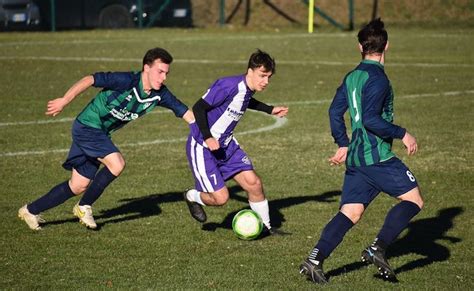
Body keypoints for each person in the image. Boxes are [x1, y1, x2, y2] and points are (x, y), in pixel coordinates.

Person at [299, 18, 424, 284]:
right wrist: (403, 133)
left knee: (350, 213)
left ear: (360, 47)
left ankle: (314, 260)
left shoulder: (352, 76)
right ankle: (378, 247)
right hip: (376, 157)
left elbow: (335, 111)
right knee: (414, 201)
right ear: (386, 46)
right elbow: (370, 119)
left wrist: (342, 142)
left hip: (356, 158)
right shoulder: (378, 78)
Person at [18, 47, 194, 230]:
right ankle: (83, 207)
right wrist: (64, 100)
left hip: (99, 133)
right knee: (117, 163)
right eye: (160, 72)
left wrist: (205, 134)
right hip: (87, 126)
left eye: (166, 73)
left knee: (78, 186)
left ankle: (30, 210)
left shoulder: (160, 94)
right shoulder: (125, 81)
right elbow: (90, 79)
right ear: (146, 68)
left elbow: (185, 112)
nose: (163, 77)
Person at [183, 49, 289, 235]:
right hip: (203, 146)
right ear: (250, 71)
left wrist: (269, 109)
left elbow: (246, 100)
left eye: (269, 77)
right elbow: (199, 107)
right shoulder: (227, 85)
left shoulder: (247, 88)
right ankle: (191, 196)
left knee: (253, 183)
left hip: (227, 146)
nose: (265, 82)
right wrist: (208, 136)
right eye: (262, 76)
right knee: (221, 198)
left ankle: (266, 227)